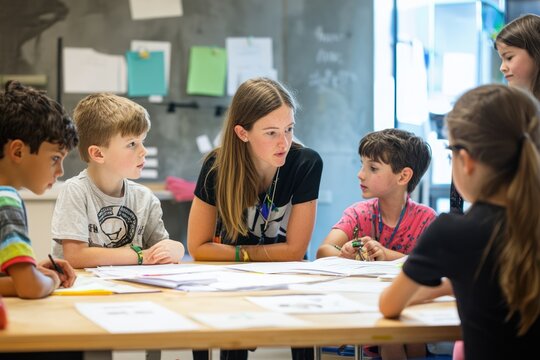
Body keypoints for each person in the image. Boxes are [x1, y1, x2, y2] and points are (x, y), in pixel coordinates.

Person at [379, 84, 540, 359]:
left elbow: (389, 305)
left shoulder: (451, 233)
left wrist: (431, 290)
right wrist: (449, 285)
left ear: (465, 160)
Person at [188, 77, 323, 360]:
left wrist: (234, 252)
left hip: (287, 279)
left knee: (305, 335)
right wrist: (268, 254)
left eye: (289, 129)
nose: (284, 142)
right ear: (242, 132)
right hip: (227, 279)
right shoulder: (216, 167)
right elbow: (198, 248)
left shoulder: (306, 163)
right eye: (271, 132)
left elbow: (296, 252)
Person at [316, 128, 436, 359]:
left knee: (410, 336)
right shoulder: (358, 213)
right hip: (368, 307)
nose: (360, 174)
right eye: (362, 165)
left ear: (403, 176)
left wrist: (387, 255)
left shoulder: (426, 219)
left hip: (412, 310)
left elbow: (434, 269)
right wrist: (345, 253)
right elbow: (324, 251)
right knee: (389, 337)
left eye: (372, 168)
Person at [51, 93, 185, 268]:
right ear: (98, 154)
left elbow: (162, 248)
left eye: (142, 141)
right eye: (132, 144)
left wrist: (177, 249)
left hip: (129, 289)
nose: (143, 151)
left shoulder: (144, 198)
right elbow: (76, 256)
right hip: (84, 290)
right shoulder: (76, 191)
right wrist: (140, 256)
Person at [0, 80, 81, 359]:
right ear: (18, 151)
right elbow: (30, 289)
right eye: (55, 158)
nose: (59, 171)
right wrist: (52, 279)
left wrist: (32, 270)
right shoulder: (5, 200)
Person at [450, 13, 540, 215]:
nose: (502, 67)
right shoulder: (513, 112)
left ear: (536, 54)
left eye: (509, 57)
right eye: (501, 59)